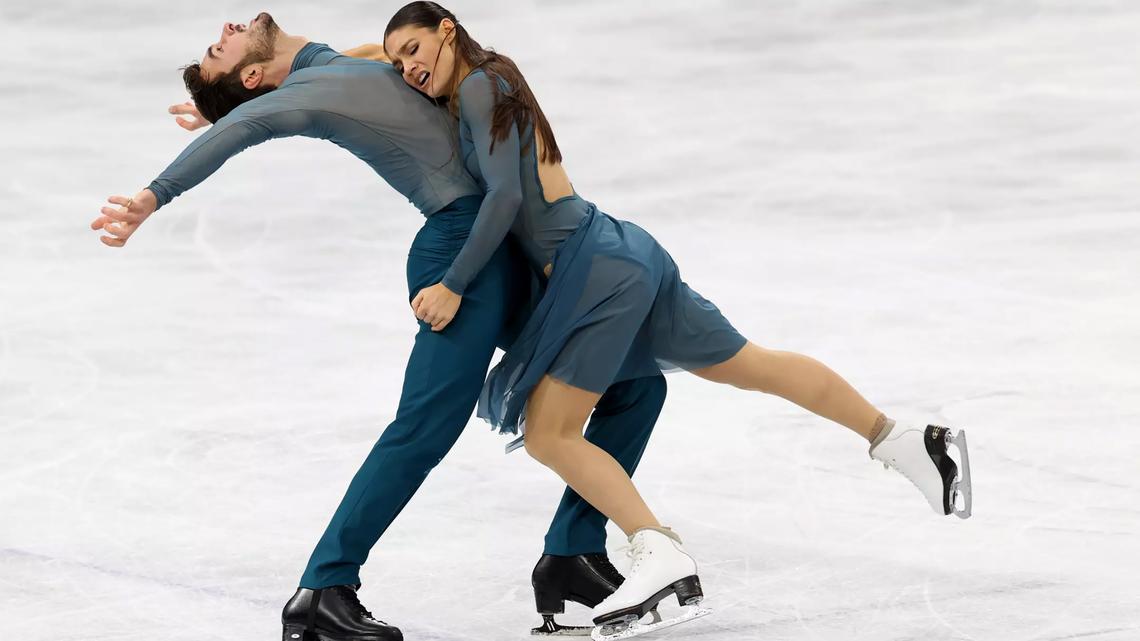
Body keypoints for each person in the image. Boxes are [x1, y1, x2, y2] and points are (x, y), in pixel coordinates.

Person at [382, 2, 973, 636]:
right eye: (395, 62)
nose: (407, 70)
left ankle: (655, 549)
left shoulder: (475, 86)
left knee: (550, 433)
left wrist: (452, 284)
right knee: (753, 365)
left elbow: (503, 197)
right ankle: (904, 440)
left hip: (593, 276)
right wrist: (332, 57)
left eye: (413, 51)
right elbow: (396, 58)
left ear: (447, 32)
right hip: (619, 250)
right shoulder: (496, 72)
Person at [89, 13, 679, 640]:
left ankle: (573, 554)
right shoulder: (300, 96)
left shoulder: (325, 63)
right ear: (254, 74)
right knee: (429, 419)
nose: (228, 25)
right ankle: (323, 588)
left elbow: (350, 67)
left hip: (502, 245)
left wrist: (225, 101)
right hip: (458, 252)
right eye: (219, 47)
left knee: (634, 384)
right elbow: (238, 131)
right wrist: (154, 195)